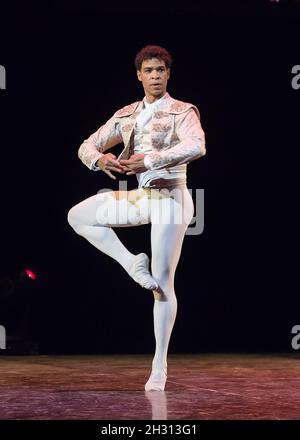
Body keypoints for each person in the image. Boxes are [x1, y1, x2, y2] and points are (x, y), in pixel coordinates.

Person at [67, 45, 206, 391]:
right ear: (139, 75)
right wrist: (101, 161)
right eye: (150, 71)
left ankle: (159, 366)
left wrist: (150, 160)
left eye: (161, 70)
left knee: (161, 283)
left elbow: (197, 145)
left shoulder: (181, 111)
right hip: (143, 198)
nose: (156, 76)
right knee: (78, 216)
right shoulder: (127, 114)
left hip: (172, 198)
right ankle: (131, 264)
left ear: (168, 74)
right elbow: (87, 144)